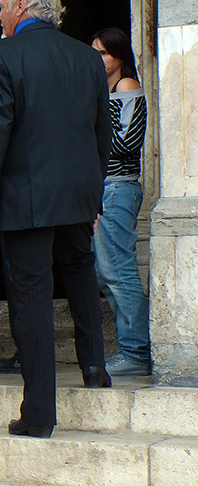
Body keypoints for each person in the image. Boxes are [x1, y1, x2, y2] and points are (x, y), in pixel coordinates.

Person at [0, 0, 112, 440]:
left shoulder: (0, 54)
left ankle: (38, 413)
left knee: (30, 295)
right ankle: (95, 369)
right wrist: (94, 194)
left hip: (26, 196)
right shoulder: (88, 58)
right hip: (78, 193)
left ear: (22, 5)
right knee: (80, 273)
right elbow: (101, 135)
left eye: (1, 6)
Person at [90, 27, 151, 376]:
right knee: (105, 270)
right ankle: (132, 348)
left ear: (119, 56)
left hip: (117, 186)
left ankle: (135, 352)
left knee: (118, 270)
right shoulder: (105, 89)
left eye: (103, 53)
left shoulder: (124, 86)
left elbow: (125, 142)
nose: (97, 59)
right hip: (106, 188)